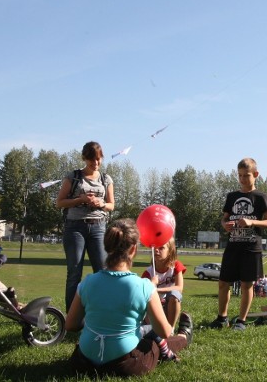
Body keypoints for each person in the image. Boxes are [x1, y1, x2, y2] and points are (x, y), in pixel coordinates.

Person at [65, 219, 193, 377]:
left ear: (106, 247)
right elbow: (165, 331)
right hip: (125, 364)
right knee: (154, 342)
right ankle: (183, 337)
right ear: (134, 249)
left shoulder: (87, 282)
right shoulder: (144, 286)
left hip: (83, 363)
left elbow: (70, 325)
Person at [209, 158, 267, 330]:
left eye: (247, 175)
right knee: (223, 282)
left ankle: (241, 321)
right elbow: (224, 219)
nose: (243, 179)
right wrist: (225, 226)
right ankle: (222, 318)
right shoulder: (232, 197)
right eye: (240, 175)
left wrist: (252, 222)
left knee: (247, 285)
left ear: (256, 175)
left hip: (251, 247)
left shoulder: (261, 197)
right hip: (233, 246)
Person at [56, 141, 115, 313]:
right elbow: (59, 202)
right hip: (75, 228)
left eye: (98, 159)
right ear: (84, 158)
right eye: (91, 159)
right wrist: (80, 200)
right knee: (74, 273)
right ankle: (72, 318)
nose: (95, 163)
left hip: (98, 227)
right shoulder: (73, 177)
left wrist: (101, 203)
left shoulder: (106, 179)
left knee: (103, 272)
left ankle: (103, 314)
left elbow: (111, 205)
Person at [141, 237, 186, 329]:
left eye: (161, 248)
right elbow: (142, 295)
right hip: (154, 307)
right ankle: (153, 329)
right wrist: (151, 285)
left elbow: (179, 288)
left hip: (169, 305)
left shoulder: (176, 266)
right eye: (155, 248)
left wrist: (156, 289)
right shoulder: (148, 273)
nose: (157, 250)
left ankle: (170, 328)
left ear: (170, 251)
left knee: (175, 294)